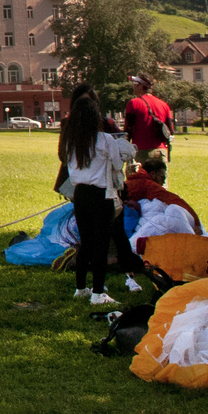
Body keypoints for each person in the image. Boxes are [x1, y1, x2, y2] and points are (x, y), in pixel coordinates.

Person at [59, 89, 137, 305]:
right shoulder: (104, 140)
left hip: (80, 193)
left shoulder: (70, 142)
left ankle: (80, 287)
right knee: (101, 244)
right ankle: (98, 293)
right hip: (100, 194)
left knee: (85, 242)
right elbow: (116, 164)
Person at [124, 76, 174, 183]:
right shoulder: (164, 105)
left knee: (140, 185)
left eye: (135, 84)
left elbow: (128, 130)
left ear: (142, 86)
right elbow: (171, 130)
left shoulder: (133, 103)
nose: (133, 87)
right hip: (160, 151)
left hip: (141, 151)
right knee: (161, 187)